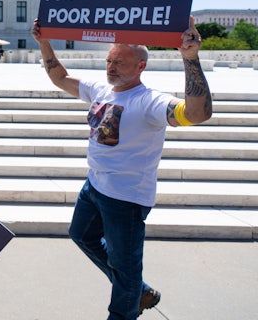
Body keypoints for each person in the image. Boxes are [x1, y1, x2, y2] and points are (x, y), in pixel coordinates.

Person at [31, 16, 212, 320]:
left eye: (119, 62)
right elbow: (60, 78)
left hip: (126, 199)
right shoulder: (102, 90)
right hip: (95, 187)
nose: (110, 67)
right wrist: (44, 42)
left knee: (125, 270)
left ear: (140, 66)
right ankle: (137, 290)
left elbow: (196, 113)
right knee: (81, 235)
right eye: (109, 60)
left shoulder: (149, 102)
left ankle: (125, 308)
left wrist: (190, 58)